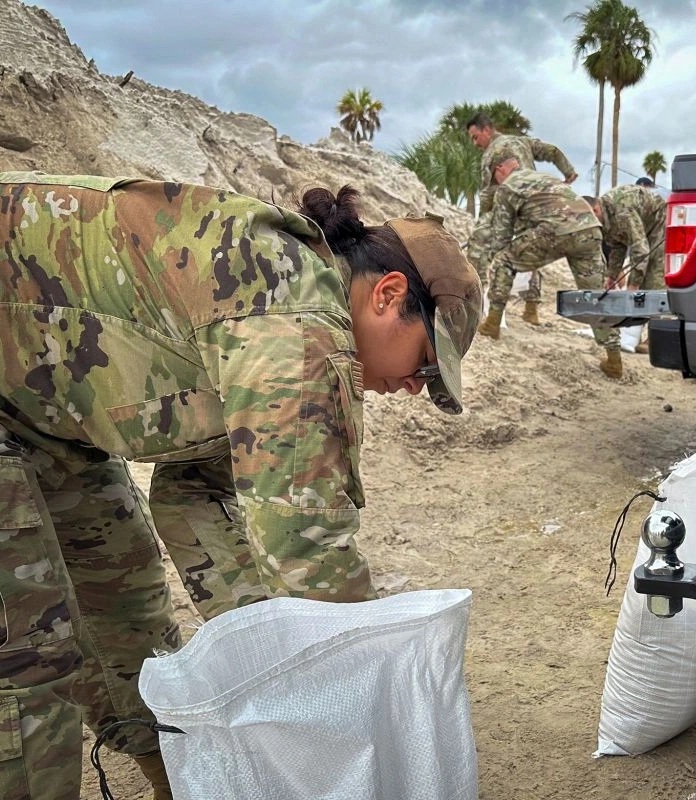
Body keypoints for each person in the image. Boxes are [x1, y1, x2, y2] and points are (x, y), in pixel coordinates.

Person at [0, 172, 481, 800]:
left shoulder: (266, 316)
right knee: (28, 656)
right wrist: (370, 710)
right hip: (24, 401)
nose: (415, 387)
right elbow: (306, 546)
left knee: (124, 599)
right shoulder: (295, 313)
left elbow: (195, 494)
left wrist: (272, 668)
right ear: (388, 296)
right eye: (423, 364)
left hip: (43, 413)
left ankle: (171, 780)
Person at [475, 156, 623, 379]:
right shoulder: (543, 177)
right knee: (595, 296)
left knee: (503, 261)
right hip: (590, 230)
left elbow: (502, 236)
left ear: (499, 170)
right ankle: (614, 359)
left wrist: (503, 252)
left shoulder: (507, 187)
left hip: (556, 230)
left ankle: (492, 323)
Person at [465, 112, 578, 326]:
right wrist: (568, 171)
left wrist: (482, 221)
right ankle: (531, 308)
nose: (474, 143)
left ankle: (475, 300)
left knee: (479, 245)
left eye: (475, 136)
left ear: (487, 130)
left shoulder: (492, 153)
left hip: (509, 207)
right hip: (535, 206)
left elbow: (488, 194)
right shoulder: (522, 142)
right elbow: (552, 151)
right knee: (530, 252)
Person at [586, 182, 666, 293]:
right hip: (643, 225)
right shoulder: (606, 216)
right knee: (641, 279)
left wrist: (633, 286)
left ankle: (659, 307)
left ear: (595, 210)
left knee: (652, 278)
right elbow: (617, 247)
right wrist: (612, 277)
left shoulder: (621, 212)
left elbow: (641, 250)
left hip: (658, 221)